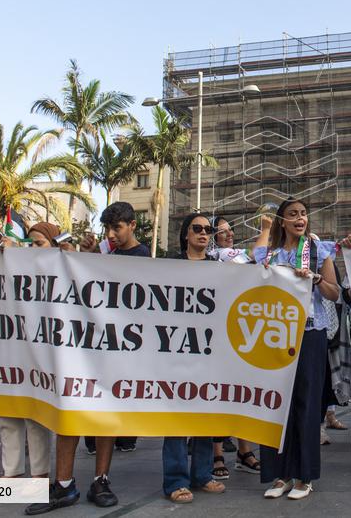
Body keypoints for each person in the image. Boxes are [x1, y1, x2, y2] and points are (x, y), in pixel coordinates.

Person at [26, 202, 150, 514]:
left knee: (104, 416)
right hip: (83, 345)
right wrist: (87, 256)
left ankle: (100, 479)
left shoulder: (142, 256)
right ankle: (64, 484)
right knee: (70, 409)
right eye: (108, 228)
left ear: (132, 225)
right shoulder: (105, 252)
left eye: (117, 228)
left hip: (115, 348)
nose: (112, 234)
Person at [252, 198, 341, 500]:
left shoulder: (318, 250)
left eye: (303, 213)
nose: (300, 218)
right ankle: (280, 474)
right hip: (275, 335)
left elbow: (334, 291)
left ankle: (304, 476)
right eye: (292, 215)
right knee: (276, 405)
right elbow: (254, 263)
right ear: (282, 221)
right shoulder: (271, 254)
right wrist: (266, 227)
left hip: (309, 332)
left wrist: (315, 279)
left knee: (306, 403)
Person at [159, 213, 227, 503]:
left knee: (205, 414)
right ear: (186, 234)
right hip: (176, 349)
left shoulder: (219, 268)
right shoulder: (171, 265)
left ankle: (202, 474)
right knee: (176, 417)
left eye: (208, 230)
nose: (203, 233)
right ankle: (175, 480)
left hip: (209, 351)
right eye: (197, 229)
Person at [0, 223, 62, 479]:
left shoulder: (60, 266)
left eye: (39, 244)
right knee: (8, 414)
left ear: (53, 245)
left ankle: (40, 473)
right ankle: (10, 472)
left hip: (40, 354)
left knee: (36, 416)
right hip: (10, 350)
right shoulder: (11, 266)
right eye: (30, 243)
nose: (33, 249)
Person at [209, 215, 261, 477]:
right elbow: (256, 257)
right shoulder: (219, 256)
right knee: (221, 395)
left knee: (243, 393)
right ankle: (217, 455)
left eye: (231, 231)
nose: (228, 235)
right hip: (219, 334)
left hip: (240, 330)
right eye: (222, 231)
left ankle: (244, 450)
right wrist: (266, 228)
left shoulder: (237, 253)